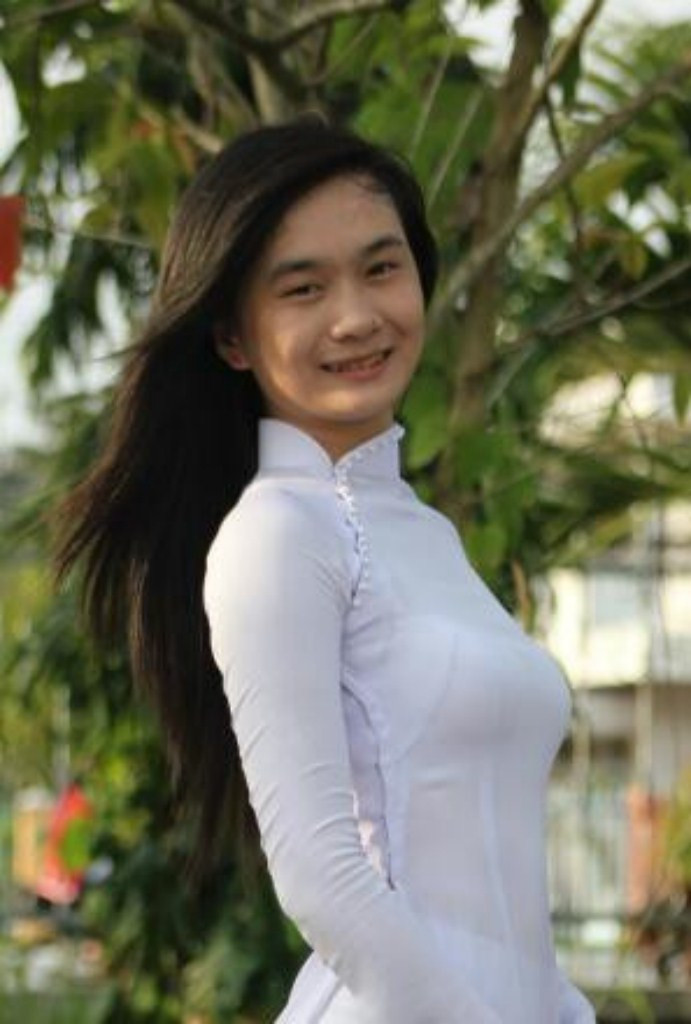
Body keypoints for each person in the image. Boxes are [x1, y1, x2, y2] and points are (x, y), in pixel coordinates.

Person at [53, 115, 597, 1022]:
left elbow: (505, 909)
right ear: (232, 338)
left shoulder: (423, 533)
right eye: (302, 288)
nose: (355, 317)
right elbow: (320, 877)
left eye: (381, 268)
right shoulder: (275, 534)